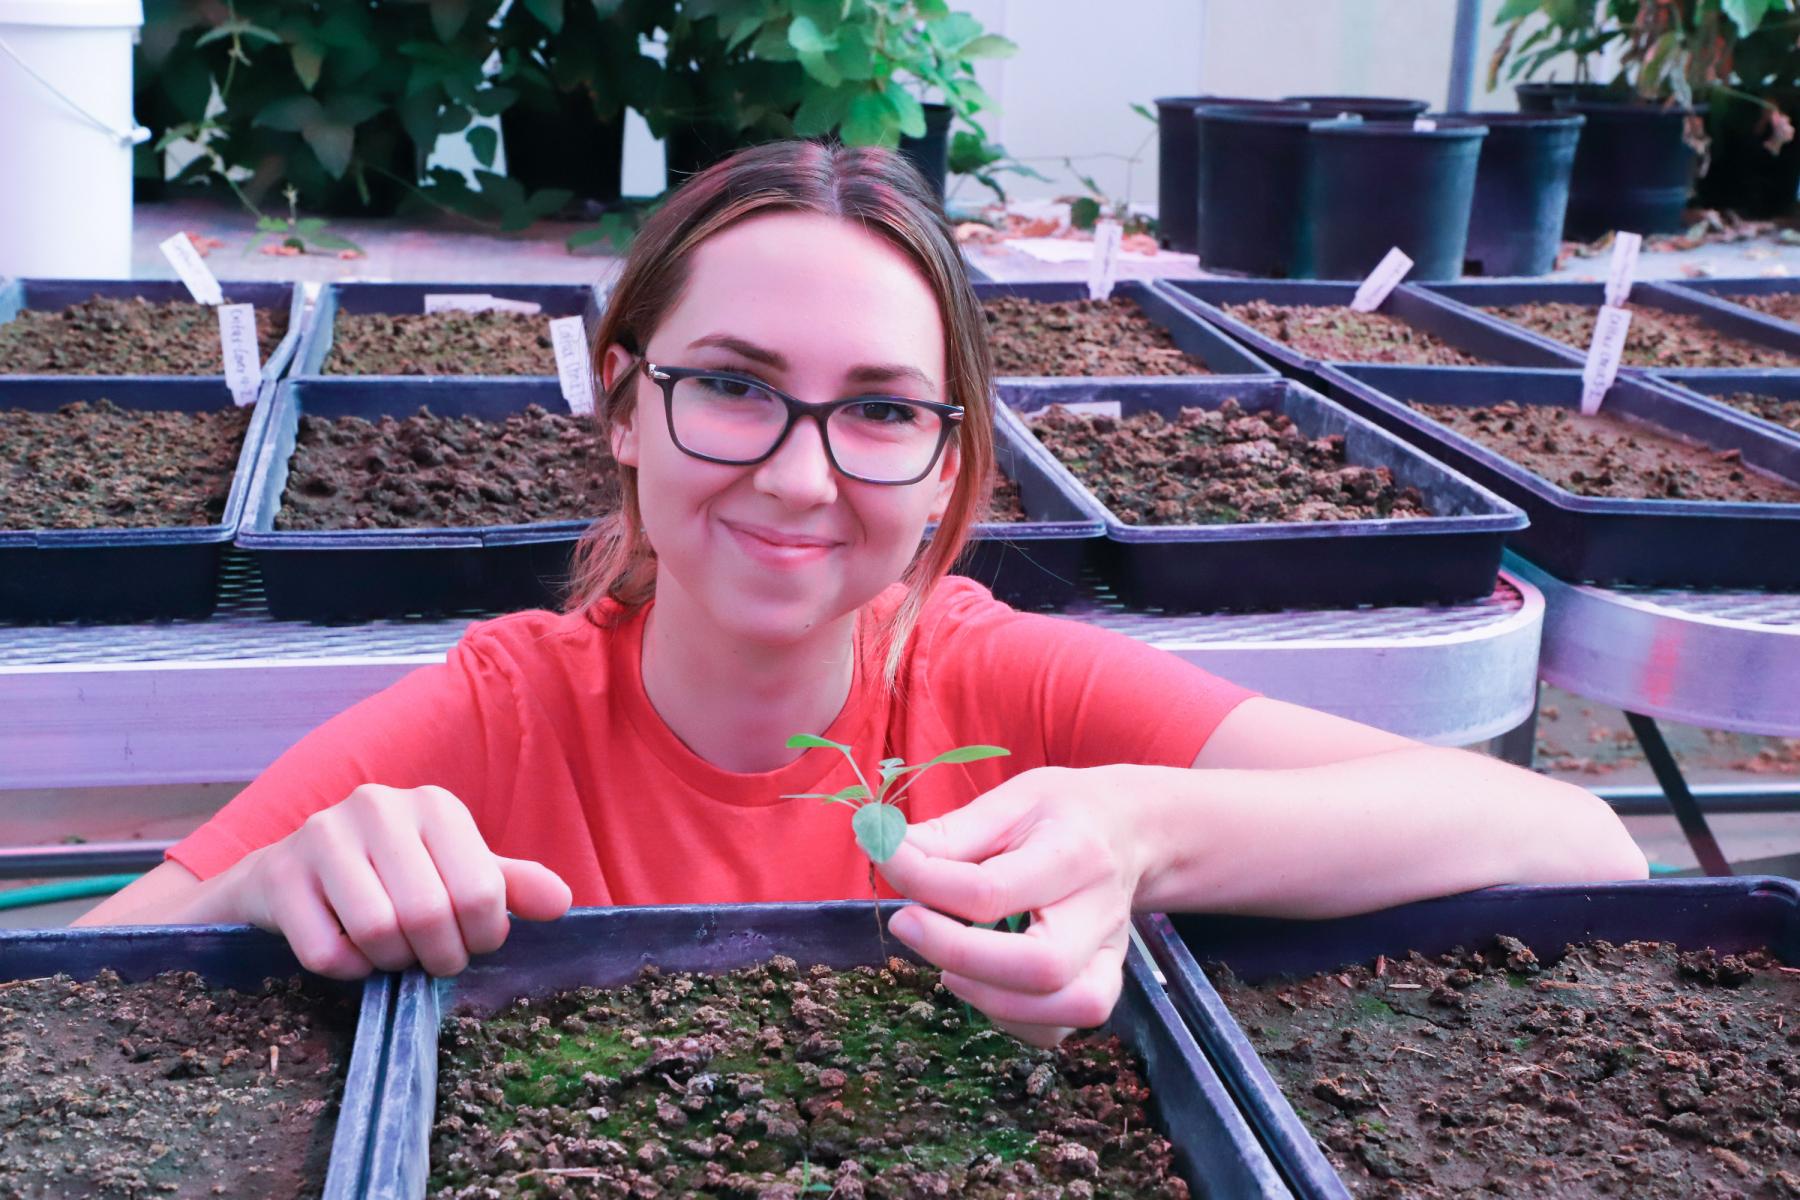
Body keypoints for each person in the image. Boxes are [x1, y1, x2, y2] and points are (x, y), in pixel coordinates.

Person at [78, 140, 1645, 1048]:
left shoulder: (1005, 687)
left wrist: (1146, 834)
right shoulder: (504, 717)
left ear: (950, 457)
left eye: (883, 409)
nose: (802, 478)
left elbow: (1577, 847)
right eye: (734, 387)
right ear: (624, 402)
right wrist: (257, 892)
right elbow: (75, 1002)